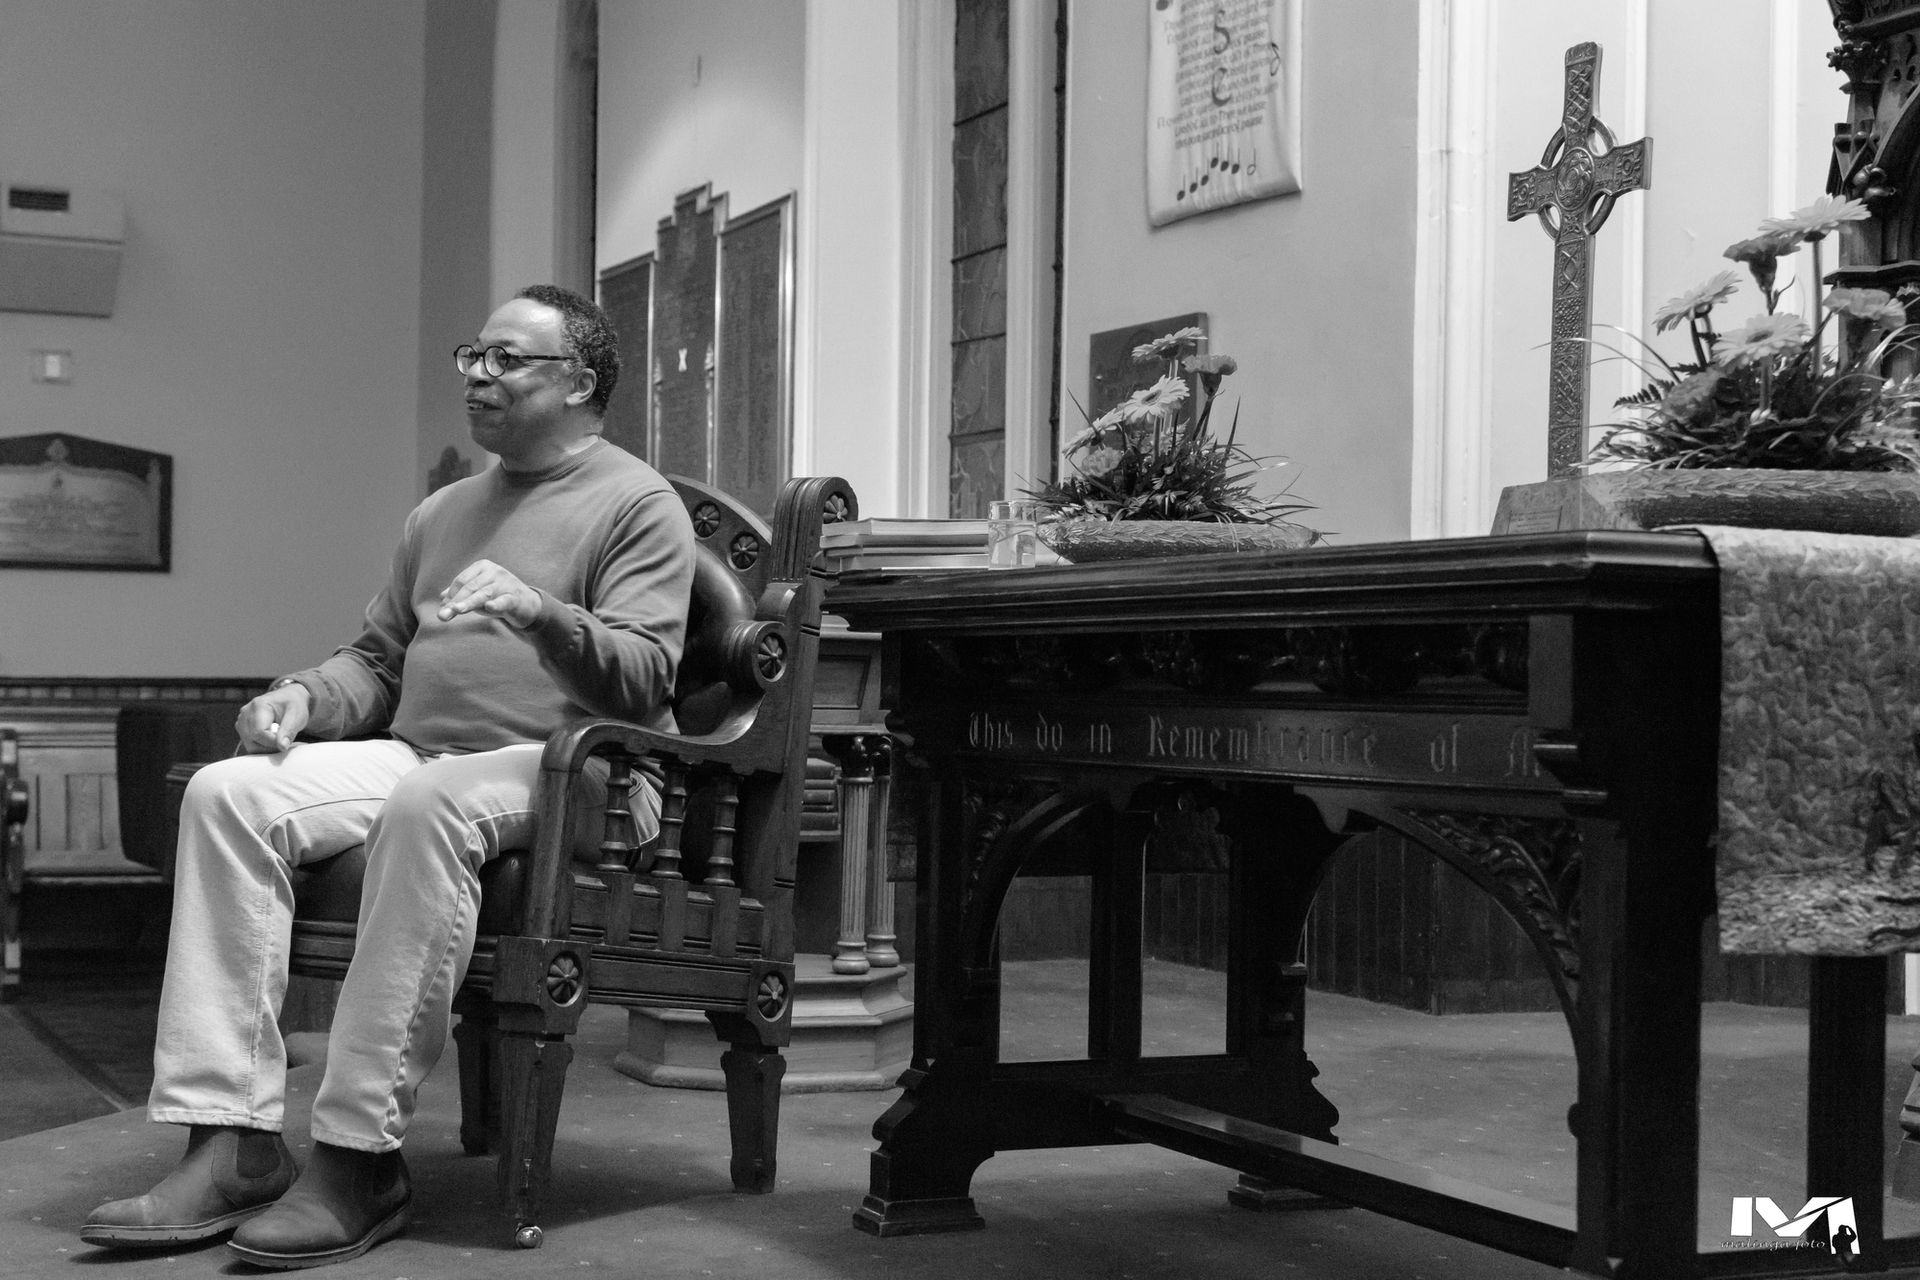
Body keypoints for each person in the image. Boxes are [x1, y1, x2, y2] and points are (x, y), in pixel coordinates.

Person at [80, 285, 695, 1269]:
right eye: (474, 356)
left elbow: (645, 675)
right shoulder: (443, 512)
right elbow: (376, 660)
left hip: (579, 768)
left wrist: (541, 613)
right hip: (424, 754)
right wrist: (300, 700)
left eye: (508, 360)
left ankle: (359, 1156)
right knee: (227, 791)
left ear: (579, 381)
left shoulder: (637, 503)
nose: (480, 376)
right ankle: (230, 1140)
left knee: (426, 801)